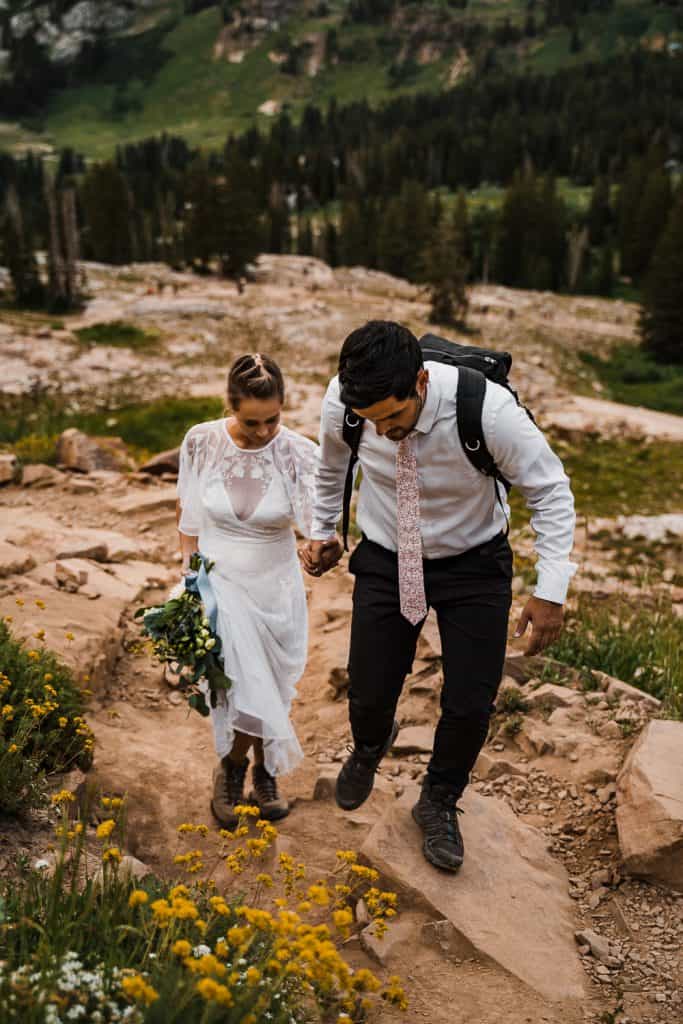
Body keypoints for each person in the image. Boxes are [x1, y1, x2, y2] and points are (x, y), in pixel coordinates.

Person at [302, 321, 576, 872]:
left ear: (421, 382)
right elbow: (332, 466)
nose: (382, 431)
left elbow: (550, 491)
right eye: (373, 421)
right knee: (370, 685)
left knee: (471, 699)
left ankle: (439, 799)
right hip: (385, 552)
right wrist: (322, 528)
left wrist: (551, 591)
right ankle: (371, 745)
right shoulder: (347, 402)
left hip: (473, 562)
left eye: (394, 418)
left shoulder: (488, 411)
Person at [175, 354, 318, 827]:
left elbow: (318, 526)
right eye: (250, 420)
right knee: (236, 681)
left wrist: (322, 548)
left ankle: (266, 769)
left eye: (272, 419)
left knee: (271, 684)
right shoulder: (201, 441)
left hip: (275, 584)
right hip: (221, 581)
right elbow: (190, 521)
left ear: (284, 406)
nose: (262, 431)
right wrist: (190, 578)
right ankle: (233, 770)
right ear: (229, 405)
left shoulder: (299, 452)